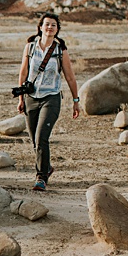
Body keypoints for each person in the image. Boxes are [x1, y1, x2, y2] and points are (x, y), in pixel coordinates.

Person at [16, 13, 81, 191]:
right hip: (31, 98)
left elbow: (70, 77)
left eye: (53, 25)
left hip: (51, 98)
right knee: (34, 141)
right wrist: (21, 98)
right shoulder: (30, 47)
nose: (50, 27)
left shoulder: (60, 51)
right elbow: (23, 73)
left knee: (41, 137)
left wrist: (76, 101)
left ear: (57, 29)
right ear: (40, 27)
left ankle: (41, 177)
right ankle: (47, 167)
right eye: (47, 24)